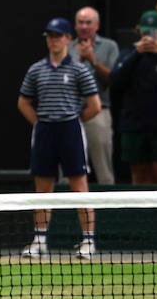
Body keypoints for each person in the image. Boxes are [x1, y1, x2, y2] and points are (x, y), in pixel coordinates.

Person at [16, 16, 101, 259]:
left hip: (70, 131)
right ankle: (40, 240)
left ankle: (88, 241)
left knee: (79, 187)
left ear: (68, 39)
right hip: (45, 132)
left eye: (58, 36)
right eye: (50, 36)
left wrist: (73, 121)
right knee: (43, 189)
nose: (53, 40)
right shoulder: (36, 69)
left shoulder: (79, 69)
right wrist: (40, 122)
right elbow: (23, 102)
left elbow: (94, 105)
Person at [108, 10, 157, 185]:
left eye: (152, 32)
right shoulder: (128, 53)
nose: (149, 36)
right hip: (135, 124)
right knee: (139, 175)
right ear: (139, 31)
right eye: (145, 32)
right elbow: (116, 81)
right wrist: (137, 53)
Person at [73, 6, 119, 186]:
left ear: (97, 25)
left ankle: (108, 211)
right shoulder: (66, 45)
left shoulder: (109, 46)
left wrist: (92, 59)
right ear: (75, 26)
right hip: (71, 113)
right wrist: (79, 61)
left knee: (104, 168)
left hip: (100, 110)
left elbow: (113, 80)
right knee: (67, 166)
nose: (84, 26)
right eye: (80, 22)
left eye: (88, 23)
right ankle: (64, 211)